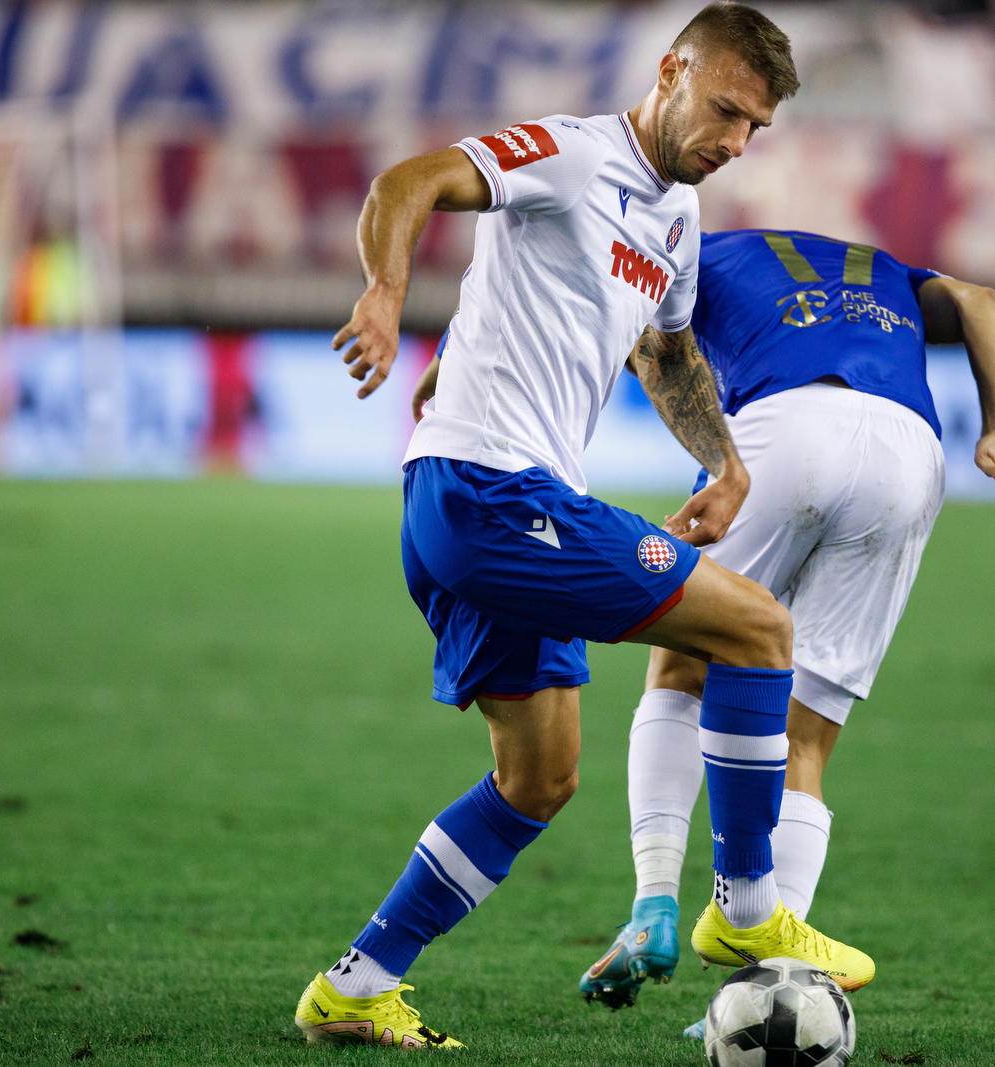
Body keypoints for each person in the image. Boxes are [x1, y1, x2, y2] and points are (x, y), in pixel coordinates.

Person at [293, 6, 873, 1050]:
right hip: (493, 496)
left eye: (755, 130)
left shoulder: (676, 219)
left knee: (539, 777)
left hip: (485, 505)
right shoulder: (569, 153)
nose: (733, 144)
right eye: (725, 111)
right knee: (755, 630)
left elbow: (666, 356)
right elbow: (407, 182)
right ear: (672, 71)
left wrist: (729, 465)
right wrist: (386, 292)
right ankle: (746, 913)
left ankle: (356, 984)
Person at [573, 230, 995, 1028]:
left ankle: (653, 904)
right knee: (807, 736)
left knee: (683, 669)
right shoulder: (885, 270)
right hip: (907, 452)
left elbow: (628, 334)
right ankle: (768, 982)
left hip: (784, 425)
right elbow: (981, 301)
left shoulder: (694, 250)